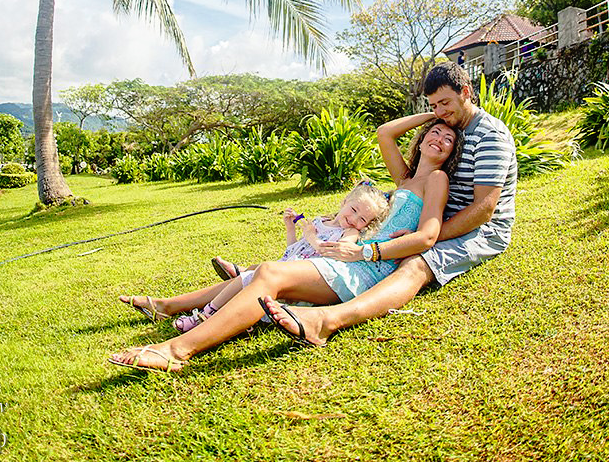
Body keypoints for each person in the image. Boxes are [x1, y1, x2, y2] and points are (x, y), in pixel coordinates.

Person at [107, 113, 462, 372]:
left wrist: (366, 250)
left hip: (367, 267)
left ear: (451, 153)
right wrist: (438, 112)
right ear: (420, 136)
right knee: (257, 274)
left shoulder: (435, 179)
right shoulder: (404, 178)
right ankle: (169, 307)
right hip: (348, 259)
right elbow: (385, 132)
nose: (439, 139)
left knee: (269, 275)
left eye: (448, 138)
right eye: (434, 132)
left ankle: (177, 350)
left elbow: (428, 236)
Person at [259, 61, 516, 348]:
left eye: (445, 102)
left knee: (416, 263)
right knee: (359, 219)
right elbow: (386, 134)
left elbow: (485, 209)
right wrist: (435, 115)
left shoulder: (491, 135)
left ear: (466, 92)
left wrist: (425, 239)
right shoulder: (449, 125)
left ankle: (327, 321)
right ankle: (263, 277)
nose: (441, 111)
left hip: (480, 229)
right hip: (436, 217)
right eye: (434, 105)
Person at [120, 183, 389, 332]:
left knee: (248, 278)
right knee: (249, 279)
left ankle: (206, 315)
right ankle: (173, 306)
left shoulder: (349, 235)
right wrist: (292, 228)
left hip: (301, 281)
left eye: (361, 219)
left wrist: (313, 237)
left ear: (366, 225)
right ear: (344, 202)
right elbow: (291, 252)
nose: (353, 219)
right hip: (287, 268)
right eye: (352, 210)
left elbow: (329, 254)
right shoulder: (322, 220)